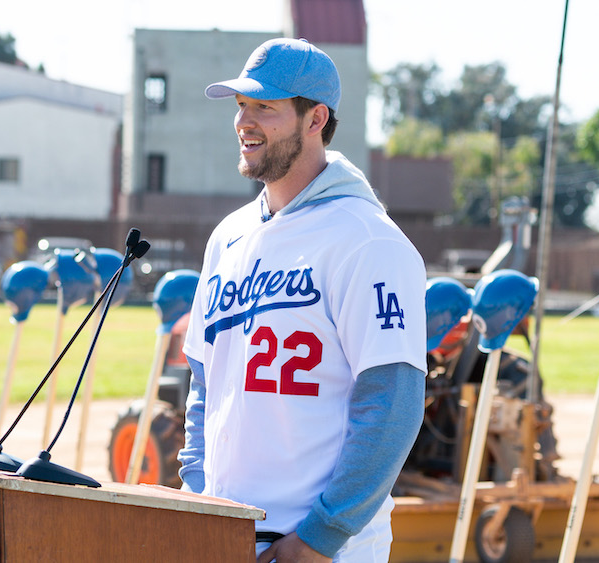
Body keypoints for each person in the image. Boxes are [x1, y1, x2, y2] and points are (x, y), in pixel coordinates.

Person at [177, 37, 428, 562]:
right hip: (223, 535)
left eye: (265, 107)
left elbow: (392, 406)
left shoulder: (369, 240)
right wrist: (199, 493)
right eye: (242, 105)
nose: (244, 120)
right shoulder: (228, 236)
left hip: (321, 550)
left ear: (315, 119)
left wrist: (320, 536)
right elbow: (206, 381)